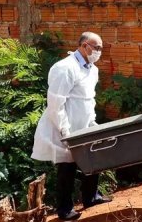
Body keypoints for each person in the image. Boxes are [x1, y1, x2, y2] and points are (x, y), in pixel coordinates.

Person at [31, 32, 111, 221]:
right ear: (84, 45)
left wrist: (92, 122)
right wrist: (64, 130)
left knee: (93, 158)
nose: (99, 52)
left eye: (101, 48)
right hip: (65, 126)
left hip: (85, 125)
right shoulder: (65, 68)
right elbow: (56, 103)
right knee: (67, 167)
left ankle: (91, 197)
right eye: (96, 47)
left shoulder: (92, 69)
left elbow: (89, 100)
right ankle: (65, 209)